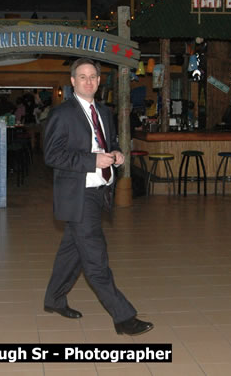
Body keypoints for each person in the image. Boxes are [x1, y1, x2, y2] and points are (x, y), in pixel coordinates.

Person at [42, 58, 153, 336]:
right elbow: (52, 155)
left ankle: (54, 299)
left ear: (99, 81)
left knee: (73, 250)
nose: (88, 81)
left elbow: (109, 143)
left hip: (99, 192)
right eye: (82, 77)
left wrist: (115, 154)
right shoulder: (62, 114)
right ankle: (123, 317)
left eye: (93, 76)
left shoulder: (103, 112)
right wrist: (93, 161)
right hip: (78, 194)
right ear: (72, 82)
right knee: (95, 258)